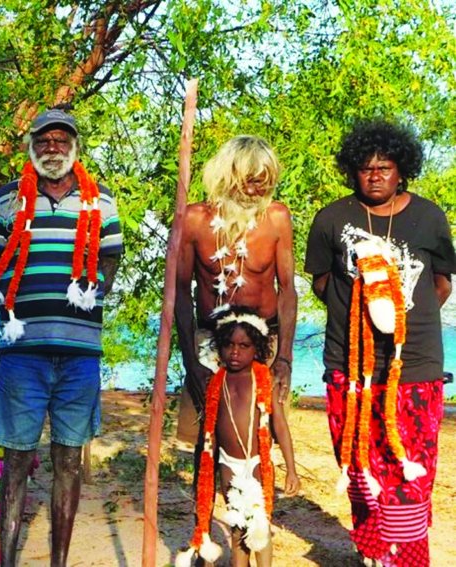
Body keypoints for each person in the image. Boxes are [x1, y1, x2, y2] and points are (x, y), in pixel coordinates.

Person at [305, 119, 456, 566]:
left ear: (401, 170)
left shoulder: (430, 217)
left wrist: (407, 315)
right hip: (349, 368)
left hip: (415, 367)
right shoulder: (332, 218)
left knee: (411, 473)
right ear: (353, 170)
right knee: (359, 467)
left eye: (384, 167)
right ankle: (373, 553)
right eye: (366, 167)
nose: (375, 175)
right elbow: (322, 283)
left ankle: (406, 558)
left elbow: (441, 284)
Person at [0, 108, 124, 566]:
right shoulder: (6, 200)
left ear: (75, 146)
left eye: (62, 140)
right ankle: (6, 559)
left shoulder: (101, 202)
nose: (52, 148)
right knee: (16, 460)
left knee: (69, 462)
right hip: (23, 355)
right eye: (44, 141)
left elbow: (111, 264)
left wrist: (83, 300)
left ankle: (58, 561)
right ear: (32, 147)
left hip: (80, 355)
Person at [175, 135, 297, 448]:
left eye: (263, 183)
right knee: (207, 442)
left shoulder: (277, 218)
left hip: (263, 342)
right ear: (228, 177)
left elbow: (287, 290)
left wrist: (283, 357)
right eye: (249, 182)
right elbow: (179, 293)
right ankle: (204, 498)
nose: (255, 192)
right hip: (210, 342)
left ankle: (257, 499)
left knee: (259, 439)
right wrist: (191, 363)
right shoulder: (194, 219)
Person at [177, 309, 299, 567]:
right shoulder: (215, 382)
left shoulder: (264, 379)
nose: (235, 352)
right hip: (225, 463)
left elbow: (280, 426)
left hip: (256, 462)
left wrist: (291, 469)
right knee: (237, 524)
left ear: (257, 348)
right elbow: (210, 434)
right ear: (219, 348)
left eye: (244, 346)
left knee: (260, 522)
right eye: (229, 345)